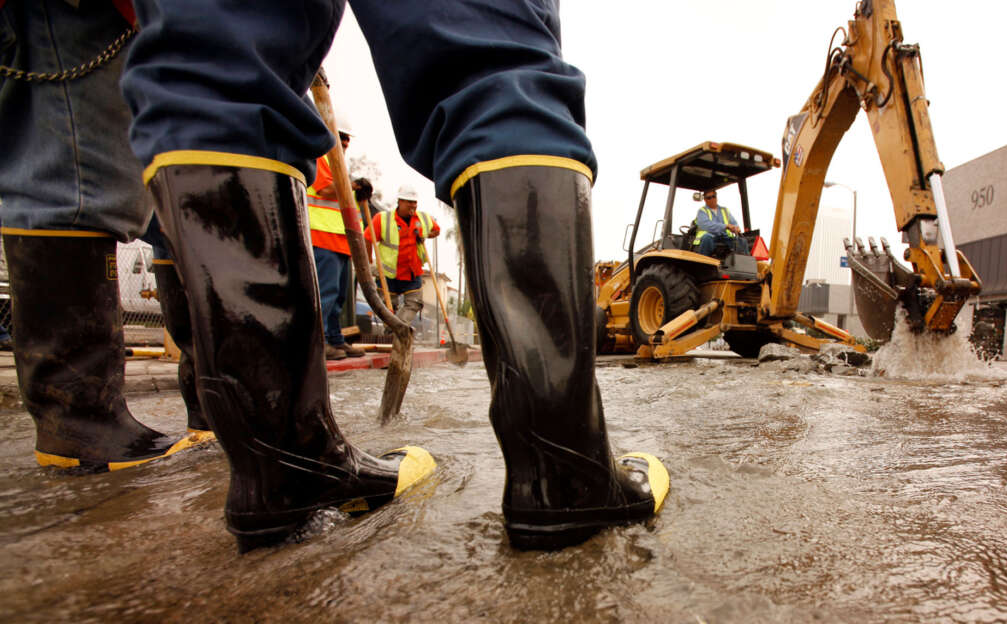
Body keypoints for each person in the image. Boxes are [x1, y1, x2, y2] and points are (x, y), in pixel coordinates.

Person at [119, 0, 669, 551]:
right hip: (381, 268)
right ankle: (564, 476)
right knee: (489, 58)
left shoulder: (405, 221)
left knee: (217, 66)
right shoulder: (379, 215)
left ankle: (279, 475)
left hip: (396, 270)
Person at [0, 0, 212, 472]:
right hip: (75, 15)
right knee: (72, 183)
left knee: (151, 198)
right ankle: (82, 423)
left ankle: (206, 407)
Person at [307, 128, 366, 361]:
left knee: (339, 296)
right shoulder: (320, 157)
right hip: (323, 237)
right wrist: (352, 186)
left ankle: (335, 340)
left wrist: (357, 192)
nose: (346, 143)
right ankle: (318, 344)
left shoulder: (337, 165)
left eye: (347, 139)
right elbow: (326, 189)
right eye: (341, 137)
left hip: (341, 240)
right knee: (326, 294)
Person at [364, 186, 439, 328]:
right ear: (399, 201)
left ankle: (400, 329)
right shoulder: (383, 219)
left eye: (414, 202)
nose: (412, 205)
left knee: (414, 303)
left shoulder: (423, 218)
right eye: (409, 202)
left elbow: (436, 231)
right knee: (388, 307)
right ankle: (392, 332)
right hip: (389, 274)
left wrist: (424, 235)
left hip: (412, 272)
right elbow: (367, 238)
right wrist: (369, 262)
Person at [693, 189, 748, 257]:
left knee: (742, 241)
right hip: (710, 236)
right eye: (709, 198)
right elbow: (707, 225)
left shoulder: (724, 210)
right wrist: (725, 226)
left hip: (724, 237)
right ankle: (703, 262)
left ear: (716, 197)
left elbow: (733, 223)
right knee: (707, 238)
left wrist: (736, 228)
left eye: (714, 196)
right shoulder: (702, 211)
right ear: (705, 200)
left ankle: (744, 263)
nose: (712, 199)